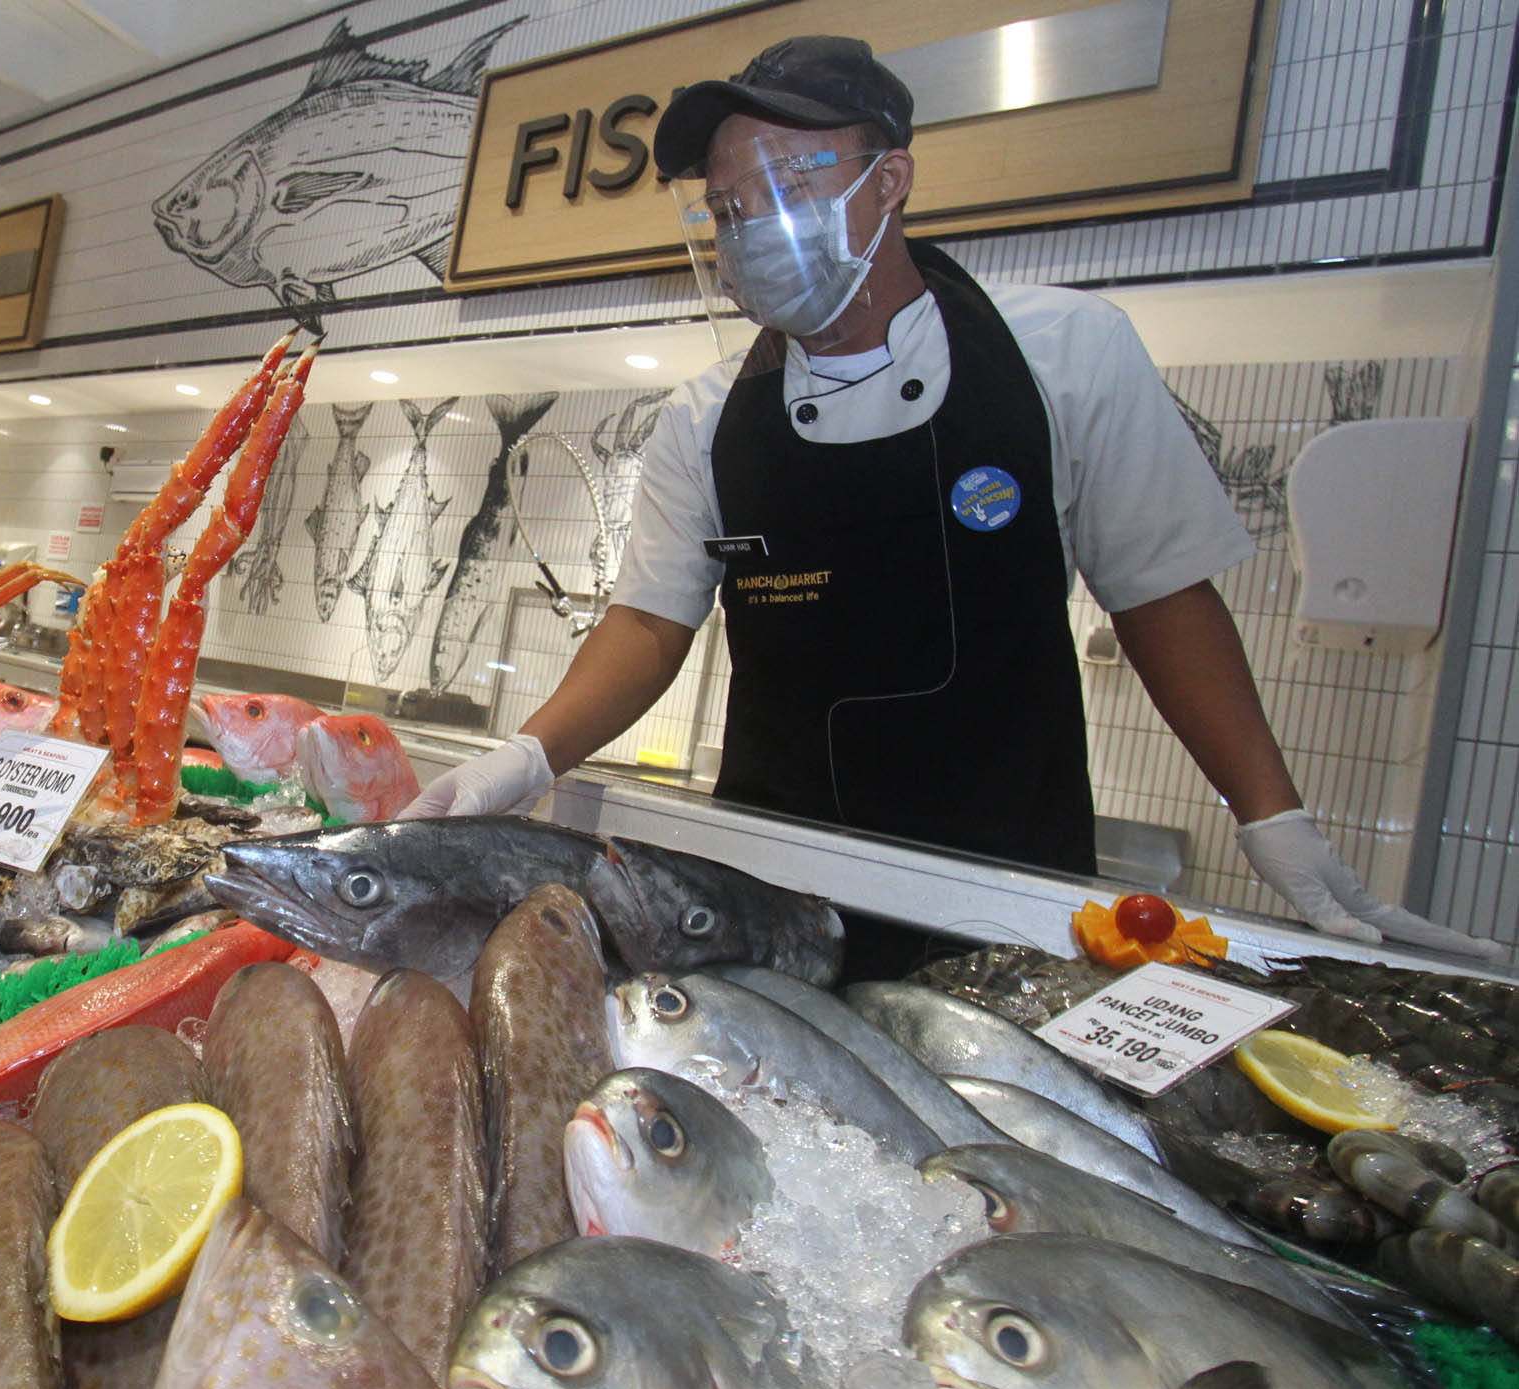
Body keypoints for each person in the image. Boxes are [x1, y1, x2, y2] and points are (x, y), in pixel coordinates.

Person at [406, 35, 1499, 960]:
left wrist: (1272, 821)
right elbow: (648, 623)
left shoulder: (1064, 352)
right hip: (764, 885)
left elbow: (1161, 597)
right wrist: (523, 758)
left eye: (791, 183)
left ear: (889, 181)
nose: (753, 227)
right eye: (731, 206)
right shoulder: (703, 417)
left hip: (1004, 882)